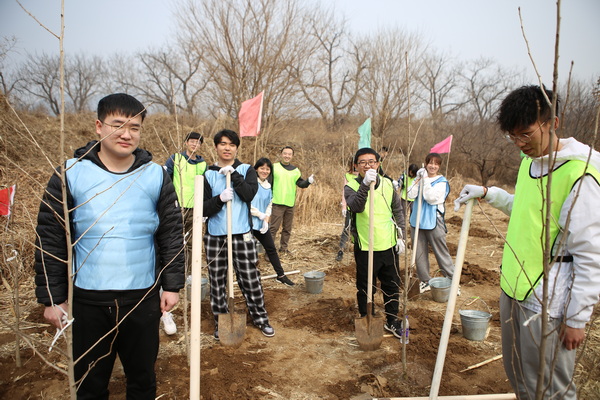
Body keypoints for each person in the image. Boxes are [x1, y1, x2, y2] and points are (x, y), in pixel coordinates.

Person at [34, 93, 185, 399]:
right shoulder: (70, 174)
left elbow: (170, 234)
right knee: (89, 382)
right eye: (119, 125)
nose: (127, 134)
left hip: (141, 298)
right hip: (88, 301)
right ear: (99, 127)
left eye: (135, 127)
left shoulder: (156, 175)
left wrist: (172, 285)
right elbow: (50, 237)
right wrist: (52, 297)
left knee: (142, 379)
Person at [454, 85, 600, 400]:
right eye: (512, 137)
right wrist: (488, 193)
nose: (520, 145)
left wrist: (577, 318)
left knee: (550, 388)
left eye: (526, 135)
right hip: (513, 287)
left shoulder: (579, 176)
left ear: (553, 123)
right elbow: (525, 208)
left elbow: (591, 255)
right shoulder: (529, 162)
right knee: (519, 376)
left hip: (547, 300)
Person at [203, 129, 274, 339]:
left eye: (232, 145)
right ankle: (221, 323)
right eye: (223, 144)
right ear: (216, 147)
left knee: (250, 278)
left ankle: (261, 319)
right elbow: (204, 208)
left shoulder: (246, 170)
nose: (227, 148)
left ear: (236, 148)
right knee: (217, 281)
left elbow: (249, 194)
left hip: (242, 234)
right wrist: (219, 199)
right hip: (216, 236)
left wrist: (233, 175)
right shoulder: (207, 174)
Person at [344, 147, 406, 338]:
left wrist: (402, 235)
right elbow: (356, 207)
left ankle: (392, 320)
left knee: (391, 284)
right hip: (365, 246)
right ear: (356, 166)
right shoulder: (351, 187)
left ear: (378, 164)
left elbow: (398, 209)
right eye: (362, 162)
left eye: (372, 161)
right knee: (365, 286)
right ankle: (366, 316)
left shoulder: (388, 184)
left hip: (388, 244)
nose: (367, 165)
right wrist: (364, 184)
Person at [162, 131, 207, 334]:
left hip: (195, 208)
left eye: (197, 142)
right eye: (191, 141)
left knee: (192, 243)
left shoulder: (203, 164)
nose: (194, 144)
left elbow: (206, 187)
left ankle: (187, 274)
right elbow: (165, 178)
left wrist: (204, 209)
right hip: (177, 207)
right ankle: (173, 275)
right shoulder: (176, 159)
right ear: (186, 142)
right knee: (175, 244)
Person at [407, 153, 455, 294]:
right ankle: (425, 281)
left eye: (436, 164)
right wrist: (417, 179)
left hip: (434, 221)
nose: (432, 166)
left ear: (439, 166)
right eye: (430, 163)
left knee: (441, 251)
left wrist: (426, 179)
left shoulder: (441, 182)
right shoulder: (420, 178)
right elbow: (410, 195)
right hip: (417, 221)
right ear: (426, 163)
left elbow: (431, 198)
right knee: (419, 252)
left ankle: (452, 280)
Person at [250, 157, 295, 286]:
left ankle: (280, 275)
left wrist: (267, 217)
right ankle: (250, 278)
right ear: (256, 169)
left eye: (267, 169)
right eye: (262, 168)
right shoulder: (251, 183)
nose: (264, 171)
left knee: (271, 249)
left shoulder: (268, 186)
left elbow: (270, 203)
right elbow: (247, 203)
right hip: (248, 223)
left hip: (262, 223)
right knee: (249, 252)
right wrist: (260, 215)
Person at [270, 146, 314, 254]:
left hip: (290, 204)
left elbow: (301, 184)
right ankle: (269, 252)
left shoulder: (295, 170)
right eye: (285, 153)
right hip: (277, 202)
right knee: (273, 229)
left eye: (289, 154)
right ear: (281, 154)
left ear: (292, 156)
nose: (287, 156)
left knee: (287, 229)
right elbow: (269, 183)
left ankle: (283, 249)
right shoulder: (274, 167)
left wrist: (308, 181)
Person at [337, 156, 358, 262]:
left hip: (361, 208)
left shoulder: (365, 176)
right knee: (347, 228)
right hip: (350, 207)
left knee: (358, 229)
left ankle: (358, 249)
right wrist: (344, 206)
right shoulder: (348, 176)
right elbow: (344, 192)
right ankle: (341, 250)